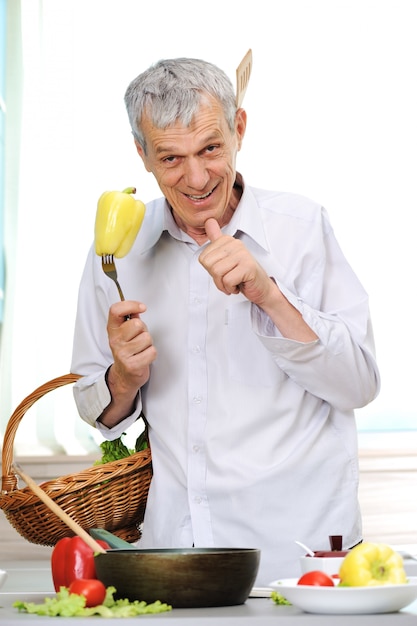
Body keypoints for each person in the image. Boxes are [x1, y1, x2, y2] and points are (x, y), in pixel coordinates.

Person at [70, 56, 380, 585]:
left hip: (298, 557)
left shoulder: (302, 227)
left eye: (211, 148)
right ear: (142, 155)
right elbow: (96, 411)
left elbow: (359, 385)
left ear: (239, 129)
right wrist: (123, 377)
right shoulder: (119, 252)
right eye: (171, 157)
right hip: (177, 556)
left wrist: (268, 294)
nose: (196, 178)